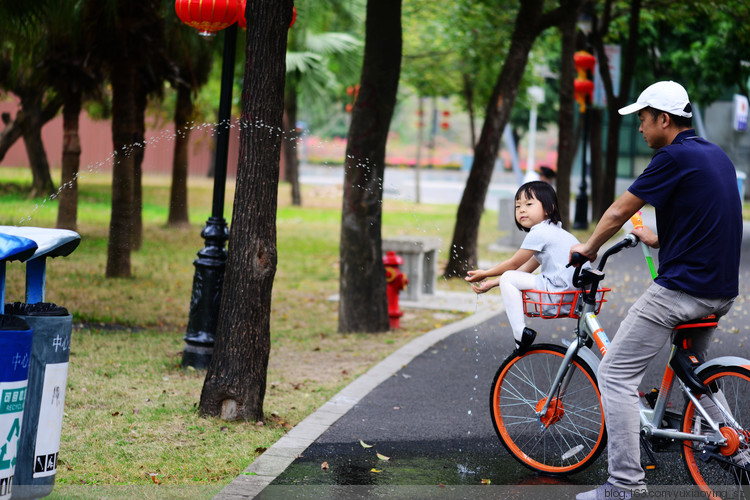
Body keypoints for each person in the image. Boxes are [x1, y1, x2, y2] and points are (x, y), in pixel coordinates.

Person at [571, 81, 743, 500]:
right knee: (695, 378)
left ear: (664, 120)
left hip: (683, 291)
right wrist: (659, 239)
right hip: (720, 290)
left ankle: (623, 485)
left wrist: (587, 248)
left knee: (615, 374)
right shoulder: (712, 154)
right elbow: (708, 217)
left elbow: (617, 210)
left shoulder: (672, 156)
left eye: (644, 121)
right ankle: (738, 452)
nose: (642, 130)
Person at [466, 181, 584, 354]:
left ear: (549, 208)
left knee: (508, 277)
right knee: (509, 277)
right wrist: (491, 283)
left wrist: (485, 273)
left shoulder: (539, 232)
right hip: (574, 298)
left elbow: (513, 265)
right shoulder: (557, 232)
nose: (522, 209)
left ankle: (520, 334)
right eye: (518, 206)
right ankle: (522, 334)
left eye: (529, 204)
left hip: (557, 295)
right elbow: (524, 270)